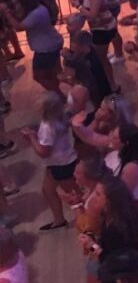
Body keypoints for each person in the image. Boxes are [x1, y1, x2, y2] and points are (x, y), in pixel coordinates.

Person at [21, 92, 77, 230]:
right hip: (62, 162)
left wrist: (31, 138)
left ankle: (91, 221)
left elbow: (44, 152)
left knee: (75, 197)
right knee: (47, 190)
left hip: (60, 165)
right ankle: (59, 220)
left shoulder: (47, 126)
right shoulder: (60, 117)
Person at [12, 0, 62, 92]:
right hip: (51, 44)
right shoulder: (40, 8)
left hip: (46, 49)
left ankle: (61, 96)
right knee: (51, 73)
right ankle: (59, 94)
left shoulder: (36, 13)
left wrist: (6, 13)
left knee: (39, 76)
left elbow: (18, 27)